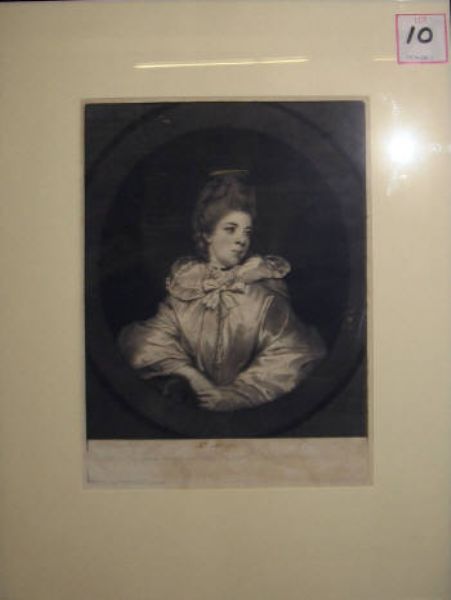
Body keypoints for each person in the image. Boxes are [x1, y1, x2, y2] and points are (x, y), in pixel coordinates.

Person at [118, 171, 325, 411]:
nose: (241, 240)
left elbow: (291, 353)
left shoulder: (264, 294)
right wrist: (193, 379)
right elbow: (147, 343)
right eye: (230, 229)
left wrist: (234, 396)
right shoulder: (187, 288)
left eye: (247, 231)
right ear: (207, 234)